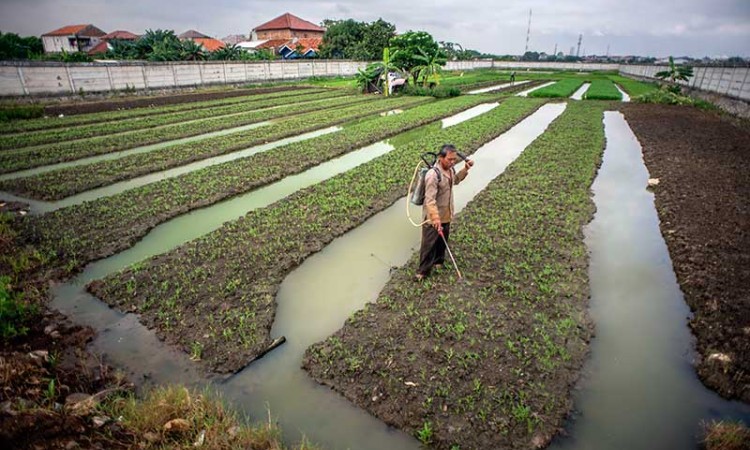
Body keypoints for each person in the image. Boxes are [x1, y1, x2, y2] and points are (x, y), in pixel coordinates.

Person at [415, 144, 474, 281]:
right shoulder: (433, 175)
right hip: (433, 217)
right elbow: (429, 200)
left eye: (454, 159)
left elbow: (456, 180)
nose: (453, 162)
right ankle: (422, 272)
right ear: (441, 158)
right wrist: (435, 219)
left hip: (446, 213)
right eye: (450, 159)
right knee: (429, 244)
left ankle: (438, 262)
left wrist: (465, 169)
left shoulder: (450, 170)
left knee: (442, 240)